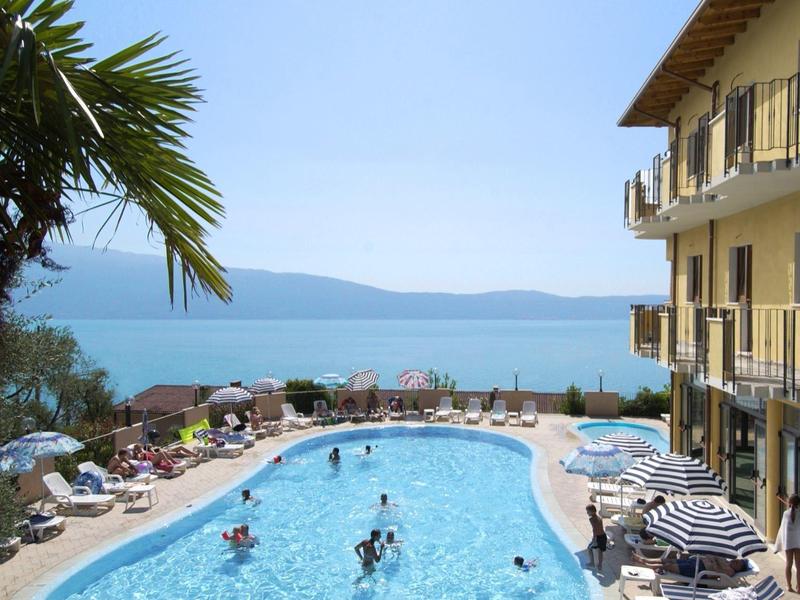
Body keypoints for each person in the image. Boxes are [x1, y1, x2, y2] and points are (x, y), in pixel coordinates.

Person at [632, 553, 749, 578]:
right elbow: (714, 557)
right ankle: (644, 559)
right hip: (697, 562)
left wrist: (714, 561)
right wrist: (714, 559)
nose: (736, 561)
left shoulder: (731, 572)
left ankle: (644, 564)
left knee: (667, 566)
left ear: (740, 568)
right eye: (738, 560)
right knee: (668, 560)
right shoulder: (728, 562)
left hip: (698, 570)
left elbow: (716, 570)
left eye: (739, 563)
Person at [776, 493, 800, 592]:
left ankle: (789, 586)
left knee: (788, 564)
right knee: (799, 565)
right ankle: (799, 587)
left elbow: (782, 529)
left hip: (788, 542)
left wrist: (778, 545)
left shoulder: (785, 514)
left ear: (789, 503)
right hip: (798, 542)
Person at [586, 504, 606, 570]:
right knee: (600, 552)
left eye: (588, 512)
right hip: (603, 536)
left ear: (593, 511)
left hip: (597, 537)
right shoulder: (599, 517)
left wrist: (594, 539)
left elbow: (595, 529)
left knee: (589, 548)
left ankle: (592, 563)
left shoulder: (592, 519)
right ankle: (600, 565)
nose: (587, 513)